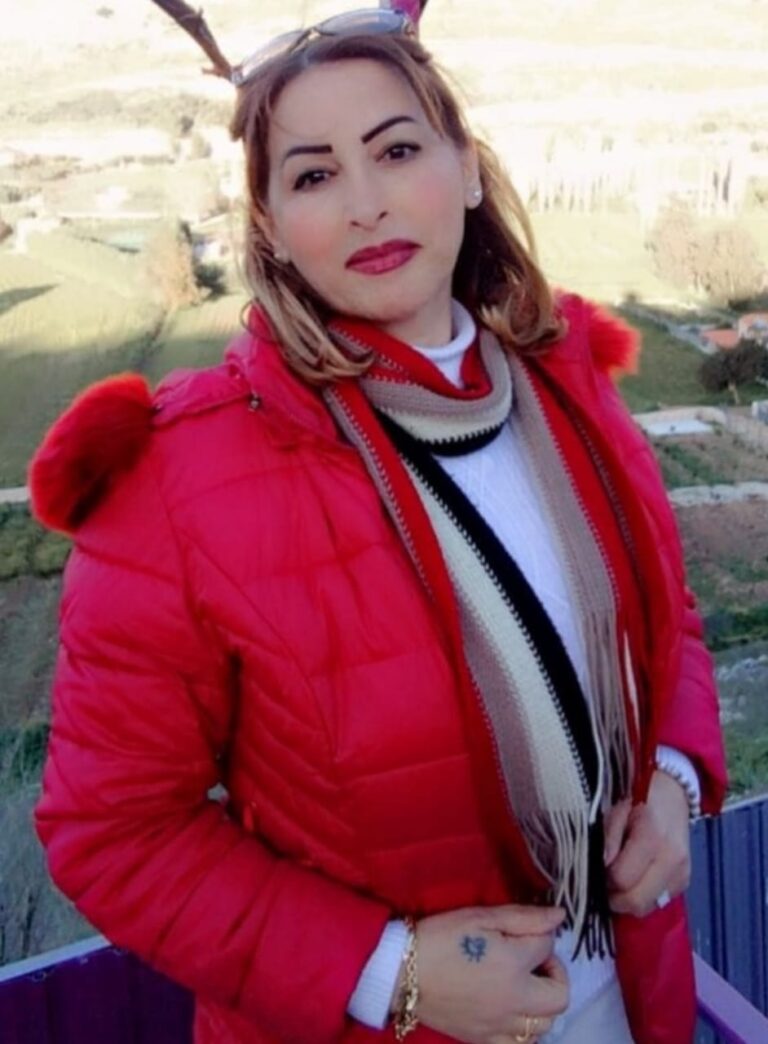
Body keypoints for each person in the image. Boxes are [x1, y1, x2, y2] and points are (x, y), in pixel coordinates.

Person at [30, 6, 726, 1044]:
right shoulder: (176, 479)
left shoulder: (568, 381)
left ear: (468, 169)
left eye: (397, 150)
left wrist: (673, 776)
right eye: (314, 174)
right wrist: (388, 972)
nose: (367, 205)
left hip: (627, 999)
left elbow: (667, 625)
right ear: (269, 225)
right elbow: (113, 831)